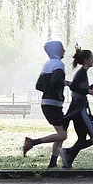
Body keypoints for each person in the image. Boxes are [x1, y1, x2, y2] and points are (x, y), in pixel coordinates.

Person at [22, 40, 69, 168]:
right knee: (62, 135)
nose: (64, 51)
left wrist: (49, 91)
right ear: (57, 50)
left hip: (47, 103)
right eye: (62, 48)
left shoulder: (47, 64)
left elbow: (39, 85)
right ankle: (32, 142)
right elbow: (56, 81)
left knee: (60, 134)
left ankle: (53, 163)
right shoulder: (59, 64)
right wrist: (65, 84)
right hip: (53, 104)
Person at [60, 47, 93, 169]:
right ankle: (67, 152)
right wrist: (88, 90)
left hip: (77, 110)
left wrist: (91, 86)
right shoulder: (81, 73)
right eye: (92, 58)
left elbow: (79, 89)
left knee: (82, 138)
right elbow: (74, 87)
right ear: (87, 60)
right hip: (80, 110)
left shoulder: (82, 73)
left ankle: (68, 161)